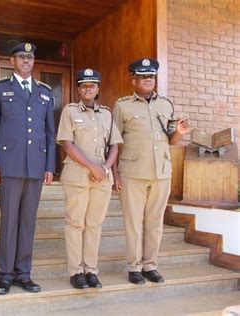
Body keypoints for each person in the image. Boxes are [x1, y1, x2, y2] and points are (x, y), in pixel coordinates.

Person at [0, 42, 56, 295]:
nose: (26, 60)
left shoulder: (45, 92)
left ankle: (23, 273)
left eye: (30, 57)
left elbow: (49, 134)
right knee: (9, 222)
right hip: (9, 165)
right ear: (12, 61)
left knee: (28, 222)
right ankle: (5, 274)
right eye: (21, 57)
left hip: (36, 166)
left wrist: (50, 166)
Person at [112, 58, 189, 285]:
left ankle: (150, 266)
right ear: (133, 79)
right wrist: (115, 174)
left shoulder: (166, 104)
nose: (148, 80)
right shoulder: (122, 105)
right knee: (133, 223)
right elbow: (114, 142)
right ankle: (134, 267)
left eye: (151, 76)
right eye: (143, 76)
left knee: (155, 222)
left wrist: (181, 133)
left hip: (161, 172)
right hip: (132, 172)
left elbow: (171, 140)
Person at [57, 69, 123, 289]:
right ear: (78, 89)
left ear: (98, 89)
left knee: (94, 225)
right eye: (84, 85)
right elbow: (68, 144)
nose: (88, 88)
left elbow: (114, 145)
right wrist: (93, 167)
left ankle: (91, 271)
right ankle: (76, 272)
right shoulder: (69, 111)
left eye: (92, 85)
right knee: (76, 224)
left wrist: (104, 168)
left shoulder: (107, 113)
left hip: (102, 178)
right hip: (77, 174)